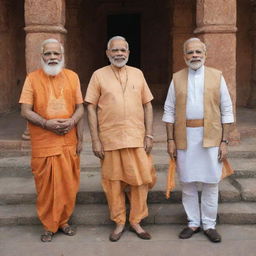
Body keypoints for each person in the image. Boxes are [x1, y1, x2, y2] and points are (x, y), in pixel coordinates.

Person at [162, 38, 234, 243]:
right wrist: (170, 140)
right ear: (184, 56)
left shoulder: (217, 76)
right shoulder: (176, 78)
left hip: (211, 137)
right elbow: (169, 110)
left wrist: (224, 141)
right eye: (190, 52)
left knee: (211, 183)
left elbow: (227, 110)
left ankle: (209, 224)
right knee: (188, 183)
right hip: (184, 138)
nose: (194, 56)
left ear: (205, 54)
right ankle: (193, 222)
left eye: (198, 52)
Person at [85, 36, 156, 242]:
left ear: (128, 53)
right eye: (114, 50)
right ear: (107, 53)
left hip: (136, 137)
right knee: (113, 183)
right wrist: (95, 140)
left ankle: (136, 220)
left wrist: (149, 135)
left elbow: (148, 105)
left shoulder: (138, 74)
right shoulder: (98, 75)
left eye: (122, 50)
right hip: (110, 139)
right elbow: (90, 107)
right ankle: (119, 221)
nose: (119, 54)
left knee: (141, 181)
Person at [19, 38, 84, 242]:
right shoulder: (32, 78)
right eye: (48, 54)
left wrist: (73, 123)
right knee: (46, 188)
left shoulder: (72, 77)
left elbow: (80, 107)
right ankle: (48, 225)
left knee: (67, 185)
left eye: (56, 54)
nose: (53, 57)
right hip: (44, 143)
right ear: (42, 56)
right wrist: (46, 124)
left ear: (62, 56)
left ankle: (63, 222)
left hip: (68, 141)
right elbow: (25, 110)